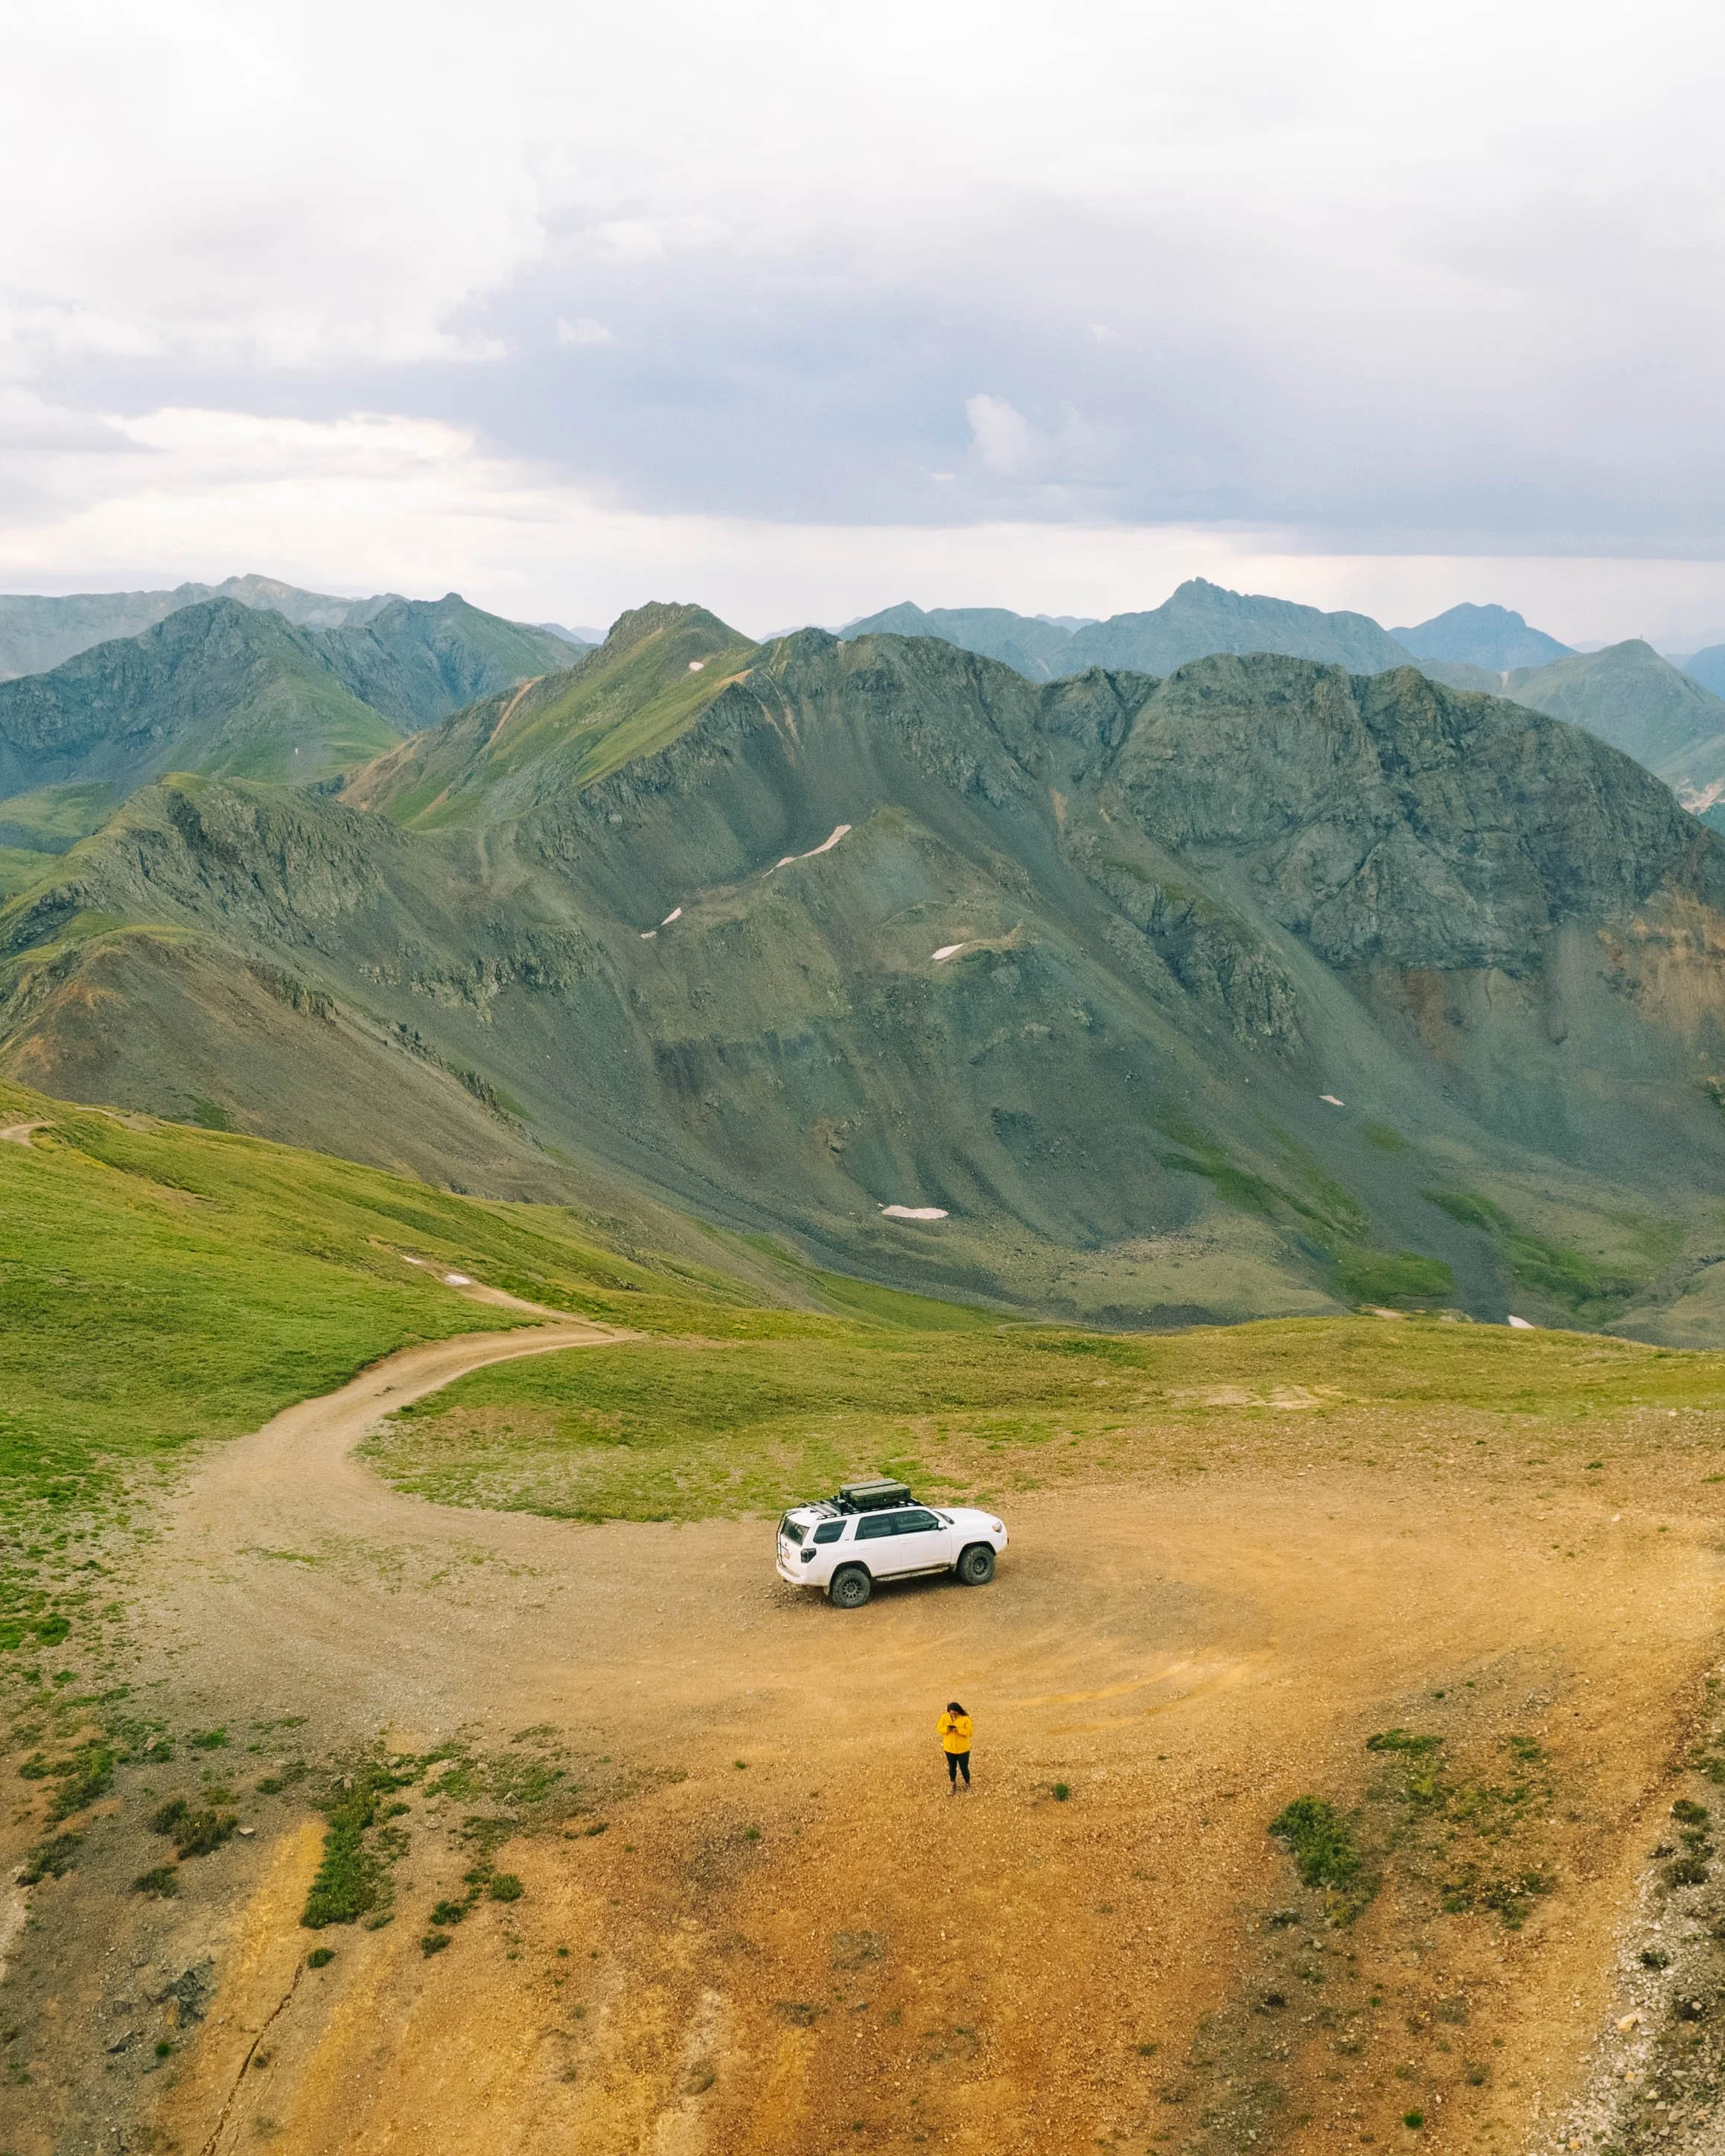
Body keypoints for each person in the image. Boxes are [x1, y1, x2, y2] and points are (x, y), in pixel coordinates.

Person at [937, 1700, 972, 1793]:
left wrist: (958, 1730)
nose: (953, 1715)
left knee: (964, 1768)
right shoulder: (944, 1717)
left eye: (955, 1713)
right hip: (949, 1749)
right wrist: (947, 1730)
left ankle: (968, 1784)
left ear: (959, 1711)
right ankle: (953, 1785)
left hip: (963, 1750)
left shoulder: (966, 1719)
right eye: (951, 1713)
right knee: (952, 1767)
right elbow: (939, 1729)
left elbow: (970, 1732)